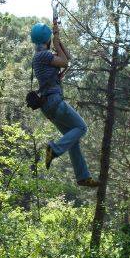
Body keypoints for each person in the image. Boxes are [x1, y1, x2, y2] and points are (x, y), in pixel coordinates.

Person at [30, 19, 100, 188]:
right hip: (54, 102)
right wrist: (55, 41)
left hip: (49, 106)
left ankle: (82, 176)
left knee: (72, 139)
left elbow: (67, 58)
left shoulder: (41, 56)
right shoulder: (43, 55)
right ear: (46, 40)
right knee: (82, 128)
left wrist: (57, 40)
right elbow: (65, 62)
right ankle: (54, 149)